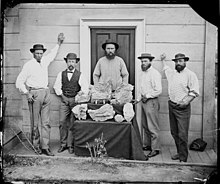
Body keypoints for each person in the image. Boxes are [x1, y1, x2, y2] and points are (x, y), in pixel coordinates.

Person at [16, 33, 65, 156]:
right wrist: (27, 93)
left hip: (46, 93)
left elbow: (53, 54)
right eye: (37, 53)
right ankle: (36, 146)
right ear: (33, 54)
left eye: (41, 53)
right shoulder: (28, 65)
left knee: (46, 123)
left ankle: (45, 147)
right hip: (34, 94)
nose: (39, 55)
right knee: (35, 123)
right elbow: (19, 82)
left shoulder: (45, 60)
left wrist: (59, 43)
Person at [160, 53, 199, 162]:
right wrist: (163, 60)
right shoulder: (172, 74)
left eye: (181, 61)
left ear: (185, 62)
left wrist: (185, 102)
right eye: (176, 61)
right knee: (174, 132)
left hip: (182, 108)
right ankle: (179, 152)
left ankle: (183, 158)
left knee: (182, 134)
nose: (178, 63)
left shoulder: (190, 75)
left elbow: (194, 91)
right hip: (172, 105)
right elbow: (166, 68)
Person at [53, 53, 89, 154]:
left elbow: (85, 89)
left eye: (73, 61)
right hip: (64, 101)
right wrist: (62, 97)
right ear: (66, 62)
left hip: (75, 102)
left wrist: (79, 95)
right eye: (69, 61)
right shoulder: (61, 74)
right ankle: (63, 144)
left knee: (73, 123)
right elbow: (56, 87)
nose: (71, 63)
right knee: (62, 122)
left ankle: (70, 145)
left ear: (76, 63)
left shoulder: (80, 75)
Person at [136, 53, 162, 159]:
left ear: (151, 62)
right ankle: (148, 145)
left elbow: (158, 90)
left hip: (151, 101)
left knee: (153, 126)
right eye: (142, 61)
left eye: (145, 61)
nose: (143, 63)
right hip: (144, 101)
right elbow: (141, 89)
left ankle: (155, 149)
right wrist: (138, 99)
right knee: (145, 125)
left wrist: (147, 96)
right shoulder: (142, 73)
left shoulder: (155, 73)